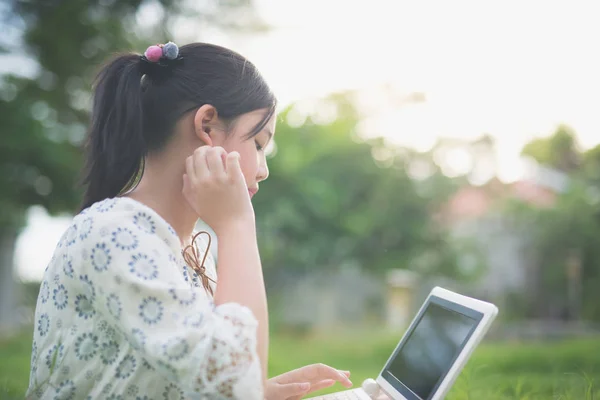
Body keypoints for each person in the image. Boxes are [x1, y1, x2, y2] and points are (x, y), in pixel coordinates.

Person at [26, 42, 353, 399]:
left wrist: (264, 390)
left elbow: (213, 383)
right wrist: (237, 225)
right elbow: (233, 388)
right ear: (207, 124)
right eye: (258, 143)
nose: (263, 170)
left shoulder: (191, 245)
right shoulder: (116, 234)